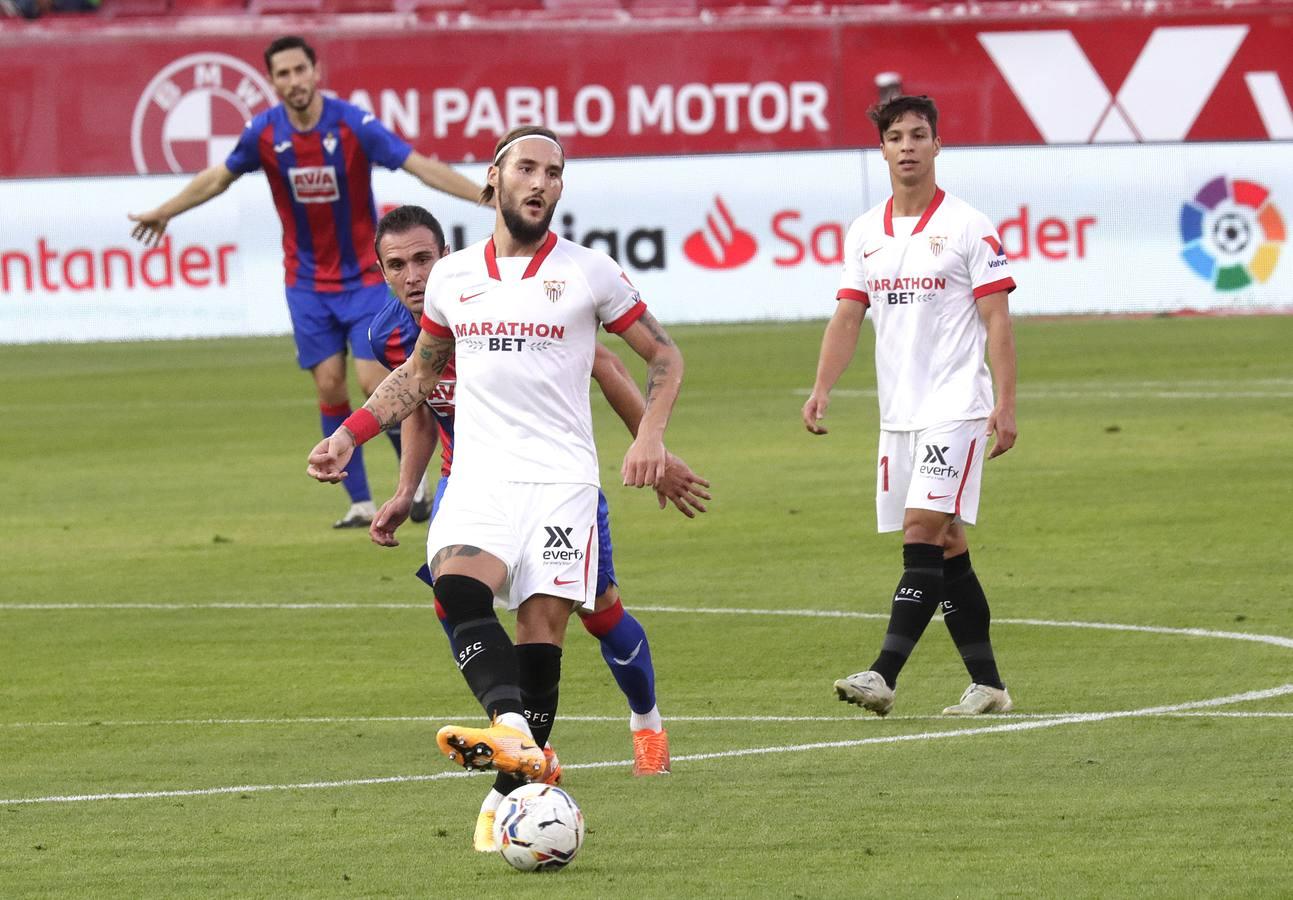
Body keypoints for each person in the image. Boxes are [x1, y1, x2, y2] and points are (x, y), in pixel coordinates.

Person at [306, 125, 685, 834]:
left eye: (554, 172)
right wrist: (348, 435)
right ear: (495, 178)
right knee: (454, 588)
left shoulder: (588, 271)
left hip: (561, 483)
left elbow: (662, 357)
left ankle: (517, 788)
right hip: (477, 477)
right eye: (528, 168)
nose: (542, 182)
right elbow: (419, 375)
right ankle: (512, 732)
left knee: (543, 633)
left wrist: (652, 437)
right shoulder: (454, 279)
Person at [129, 35, 480, 529]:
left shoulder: (352, 125)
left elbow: (418, 164)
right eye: (283, 74)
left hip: (363, 278)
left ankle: (413, 481)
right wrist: (165, 211)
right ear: (271, 82)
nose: (293, 81)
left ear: (317, 72)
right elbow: (217, 178)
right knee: (330, 383)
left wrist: (485, 198)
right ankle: (358, 500)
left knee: (371, 377)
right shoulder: (264, 134)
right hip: (306, 282)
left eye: (300, 70)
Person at [802, 94, 1018, 717]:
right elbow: (848, 315)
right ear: (883, 149)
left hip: (956, 405)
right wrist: (821, 387)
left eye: (919, 135)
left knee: (920, 532)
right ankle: (989, 686)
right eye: (896, 137)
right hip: (899, 414)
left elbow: (996, 320)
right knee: (947, 543)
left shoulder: (970, 226)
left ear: (937, 145)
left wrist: (1004, 404)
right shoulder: (865, 232)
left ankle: (882, 674)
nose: (907, 147)